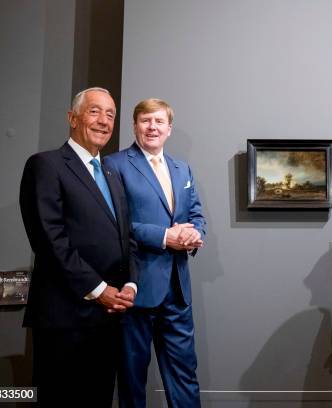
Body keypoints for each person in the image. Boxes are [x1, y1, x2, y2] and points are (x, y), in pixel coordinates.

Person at [19, 87, 137, 406]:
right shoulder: (46, 165)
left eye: (110, 114)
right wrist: (98, 290)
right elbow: (49, 239)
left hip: (109, 318)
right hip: (65, 318)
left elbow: (126, 237)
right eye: (95, 111)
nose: (103, 121)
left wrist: (129, 283)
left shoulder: (112, 174)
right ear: (72, 118)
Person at [104, 98, 206, 408]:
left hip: (177, 290)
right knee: (132, 379)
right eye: (146, 120)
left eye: (159, 121)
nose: (152, 127)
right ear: (135, 126)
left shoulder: (182, 168)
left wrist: (194, 233)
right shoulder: (114, 165)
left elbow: (196, 214)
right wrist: (165, 236)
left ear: (169, 129)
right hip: (135, 288)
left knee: (185, 375)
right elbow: (113, 224)